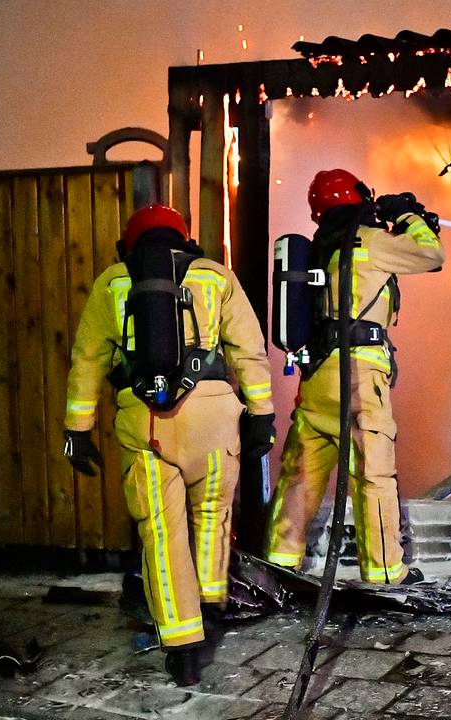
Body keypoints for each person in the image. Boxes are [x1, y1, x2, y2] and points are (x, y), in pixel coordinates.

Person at [61, 204, 276, 685]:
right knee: (212, 515)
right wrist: (262, 415)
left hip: (147, 423)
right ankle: (211, 604)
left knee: (161, 531)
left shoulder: (112, 281)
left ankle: (182, 644)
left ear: (130, 243)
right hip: (216, 417)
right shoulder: (216, 276)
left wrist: (77, 427)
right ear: (184, 239)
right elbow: (248, 348)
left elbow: (88, 359)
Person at [266, 169, 444, 585]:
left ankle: (279, 561)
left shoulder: (318, 249)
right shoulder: (372, 242)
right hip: (360, 375)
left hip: (317, 374)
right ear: (358, 196)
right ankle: (384, 574)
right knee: (372, 473)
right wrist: (406, 214)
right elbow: (431, 254)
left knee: (302, 471)